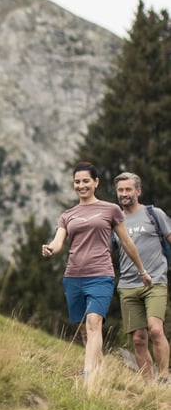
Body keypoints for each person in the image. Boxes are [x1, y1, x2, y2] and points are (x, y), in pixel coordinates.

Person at [41, 161, 151, 379]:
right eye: (77, 182)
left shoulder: (110, 210)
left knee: (94, 322)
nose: (81, 185)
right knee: (84, 329)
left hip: (101, 275)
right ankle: (99, 369)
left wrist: (142, 270)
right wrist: (50, 249)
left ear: (96, 182)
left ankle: (88, 375)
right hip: (73, 277)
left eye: (86, 181)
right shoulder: (67, 215)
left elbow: (127, 242)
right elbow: (58, 241)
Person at [113, 171, 171, 382]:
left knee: (155, 329)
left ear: (138, 190)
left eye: (128, 189)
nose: (124, 193)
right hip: (128, 285)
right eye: (120, 190)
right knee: (138, 339)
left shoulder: (154, 214)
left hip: (155, 282)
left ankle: (163, 377)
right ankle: (149, 386)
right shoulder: (115, 221)